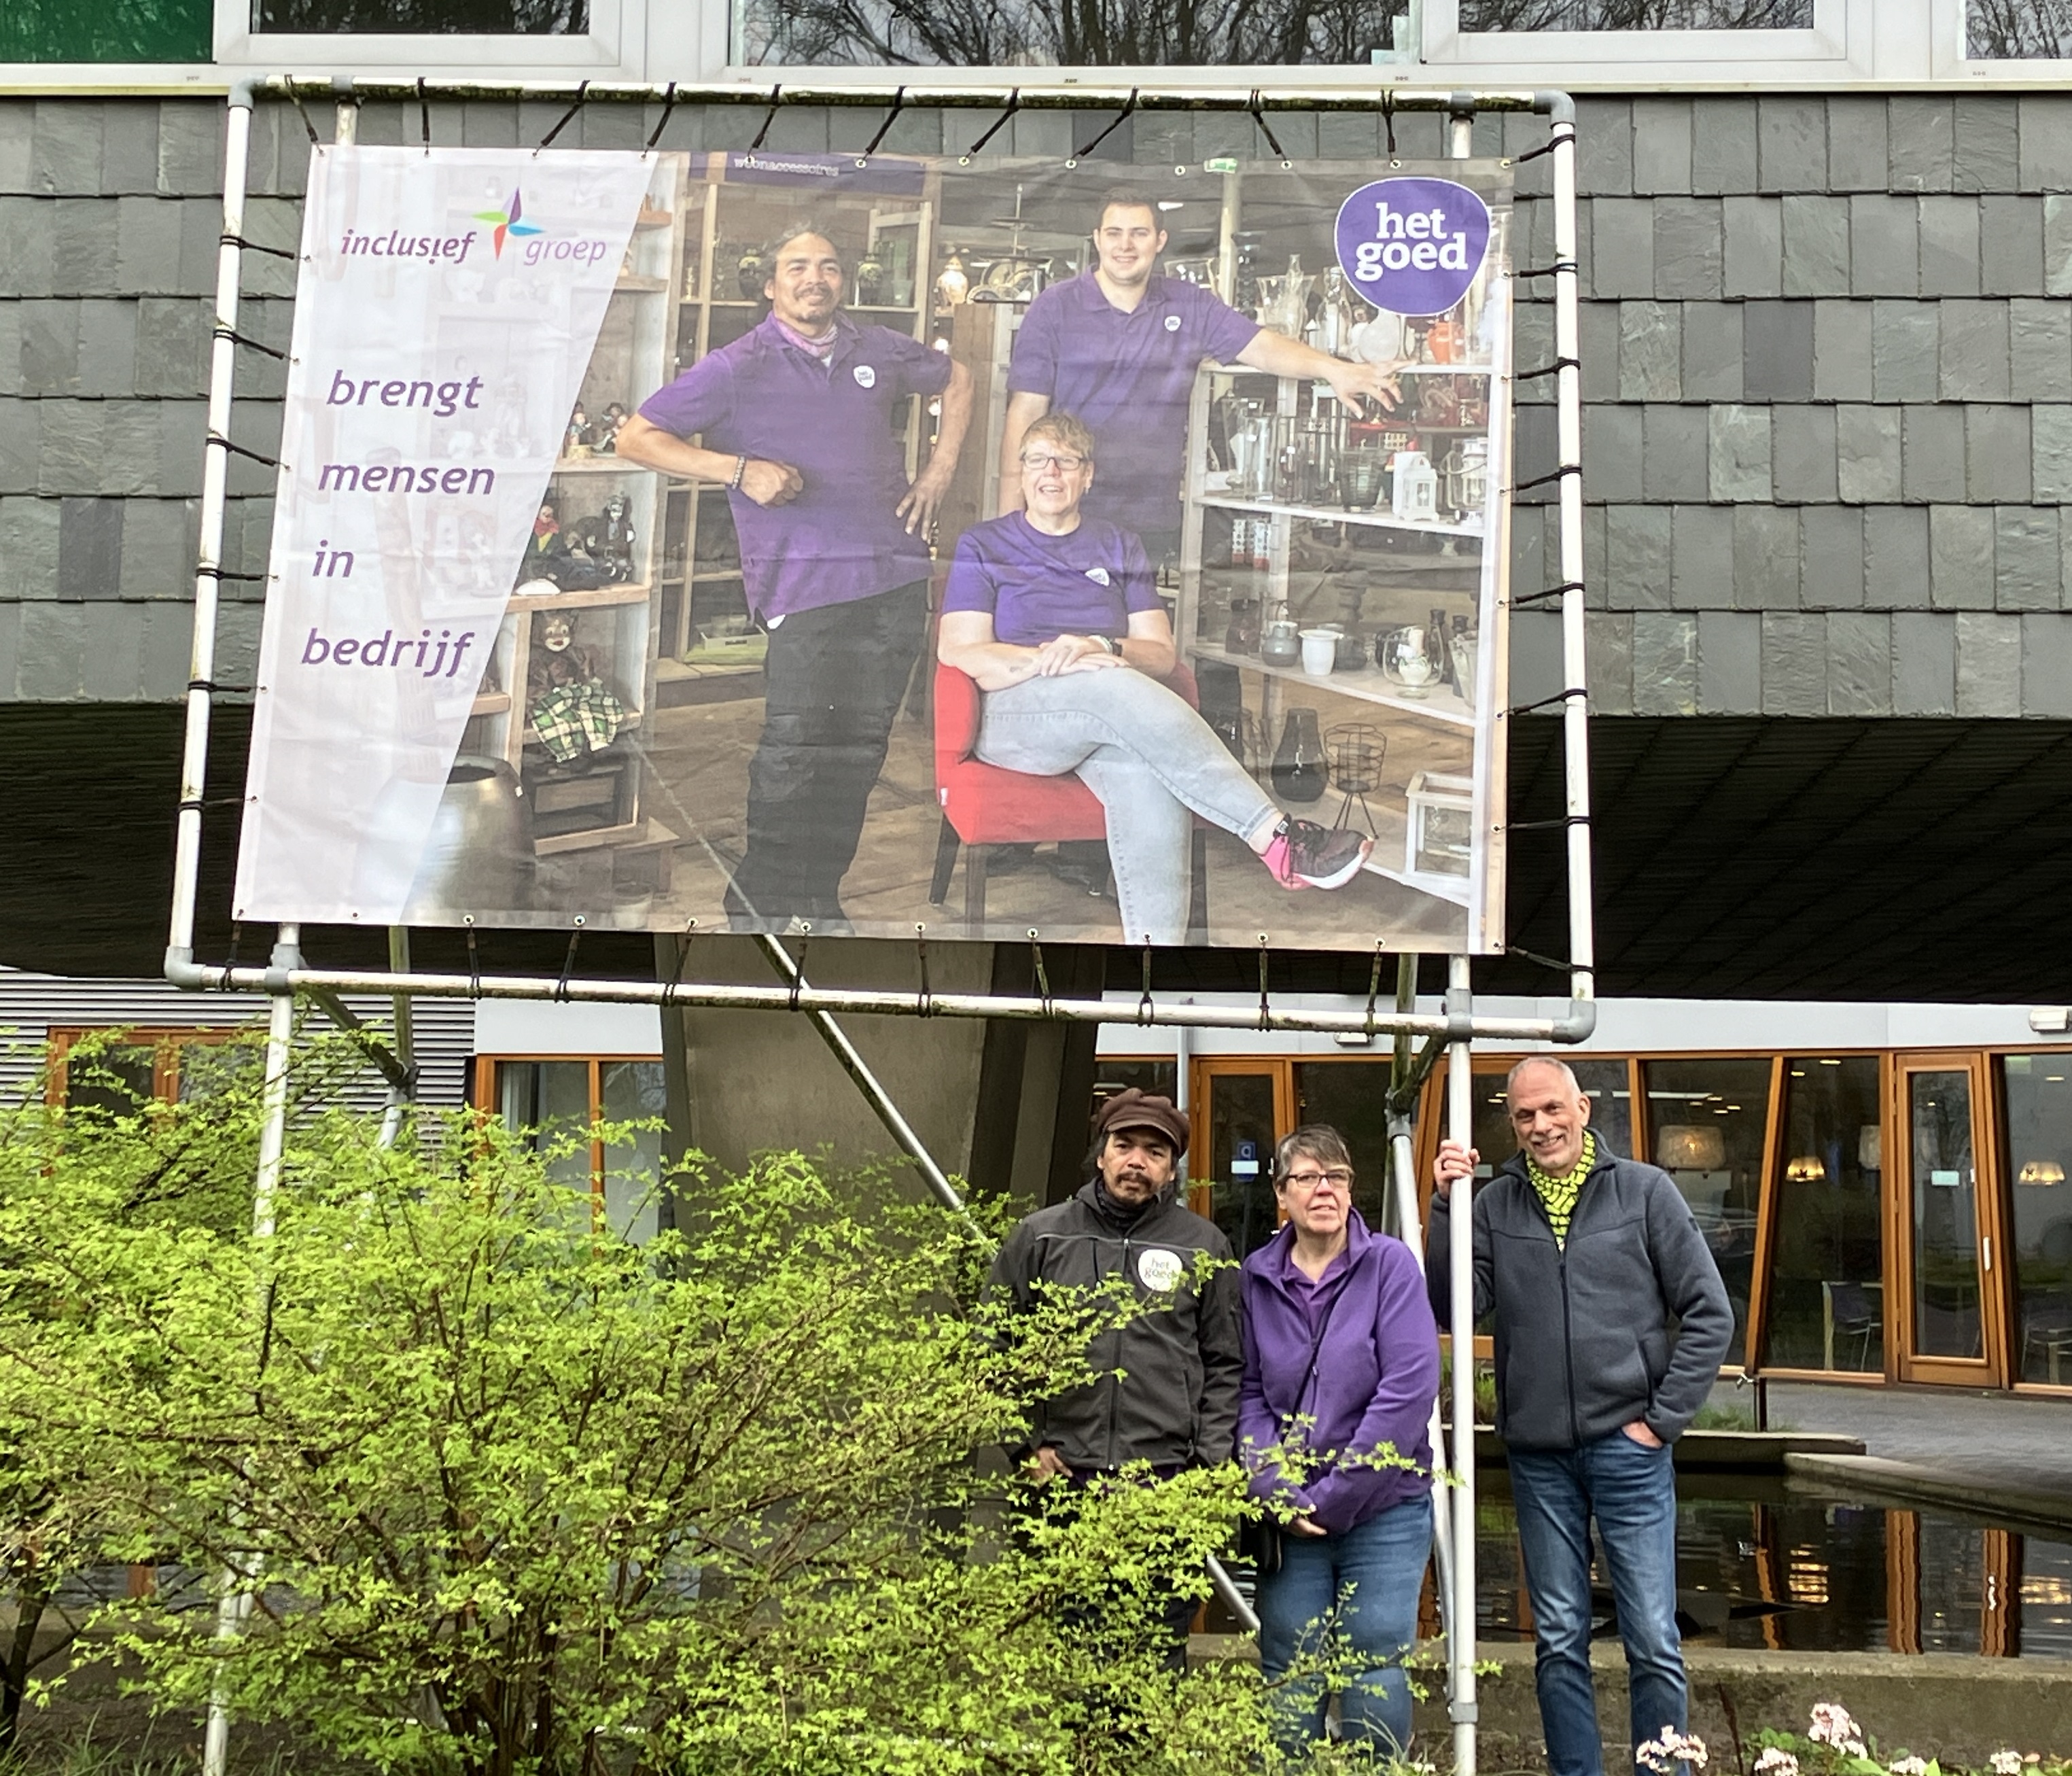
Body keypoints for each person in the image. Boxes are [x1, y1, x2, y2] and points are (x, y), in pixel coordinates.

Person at [617, 222, 974, 934]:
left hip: (893, 576)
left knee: (860, 748)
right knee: (795, 750)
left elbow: (959, 378)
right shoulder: (737, 365)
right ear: (771, 285)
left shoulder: (877, 347)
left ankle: (819, 898)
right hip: (804, 590)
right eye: (798, 267)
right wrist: (737, 469)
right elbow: (636, 436)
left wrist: (939, 470)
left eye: (830, 266)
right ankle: (758, 909)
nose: (816, 278)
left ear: (844, 281)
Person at [938, 413, 1373, 945]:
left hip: (1108, 706)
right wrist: (1051, 658)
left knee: (1143, 773)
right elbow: (959, 649)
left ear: (1088, 475)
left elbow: (1160, 654)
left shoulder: (1119, 544)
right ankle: (1274, 835)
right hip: (1017, 715)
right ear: (1022, 471)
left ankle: (1154, 960)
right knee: (1107, 686)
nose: (1050, 472)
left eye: (1065, 461)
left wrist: (1103, 646)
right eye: (1036, 461)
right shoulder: (985, 543)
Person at [1428, 1057, 1733, 1776]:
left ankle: (1665, 1770)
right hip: (1539, 1456)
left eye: (1550, 1110)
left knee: (1653, 1634)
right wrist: (1447, 1204)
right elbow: (1451, 1307)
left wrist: (1661, 1421)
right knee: (1559, 1636)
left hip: (1629, 1446)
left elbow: (1708, 1312)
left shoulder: (1644, 1193)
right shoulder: (1494, 1204)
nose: (1540, 1127)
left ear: (1582, 1108)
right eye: (1525, 1116)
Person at [999, 188, 1404, 559]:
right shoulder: (1055, 308)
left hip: (1149, 515)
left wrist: (1335, 370)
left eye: (1139, 233)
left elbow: (1261, 346)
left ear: (1159, 241)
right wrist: (1010, 524)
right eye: (1114, 233)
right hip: (1064, 507)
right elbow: (1026, 413)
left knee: (1133, 635)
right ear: (1097, 239)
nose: (1125, 245)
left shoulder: (1187, 305)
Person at [986, 1087, 1242, 1667]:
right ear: (1100, 1154)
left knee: (1154, 1654)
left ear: (1170, 1168)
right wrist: (1023, 1444)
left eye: (1153, 1151)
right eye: (1124, 1145)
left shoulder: (1204, 1246)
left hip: (1163, 1486)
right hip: (1062, 1485)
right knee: (1069, 1657)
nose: (1136, 1161)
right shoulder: (1040, 1236)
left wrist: (1204, 1468)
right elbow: (992, 1345)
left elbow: (1226, 1362)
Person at [1238, 1125, 1440, 1759]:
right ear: (1280, 1195)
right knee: (1288, 1669)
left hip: (1384, 1508)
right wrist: (1275, 1489)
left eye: (1337, 1176)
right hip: (1287, 1512)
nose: (1324, 1189)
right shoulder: (1253, 1279)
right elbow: (1244, 1394)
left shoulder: (1391, 1266)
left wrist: (1330, 1499)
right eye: (1306, 1177)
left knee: (1375, 1664)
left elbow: (1408, 1390)